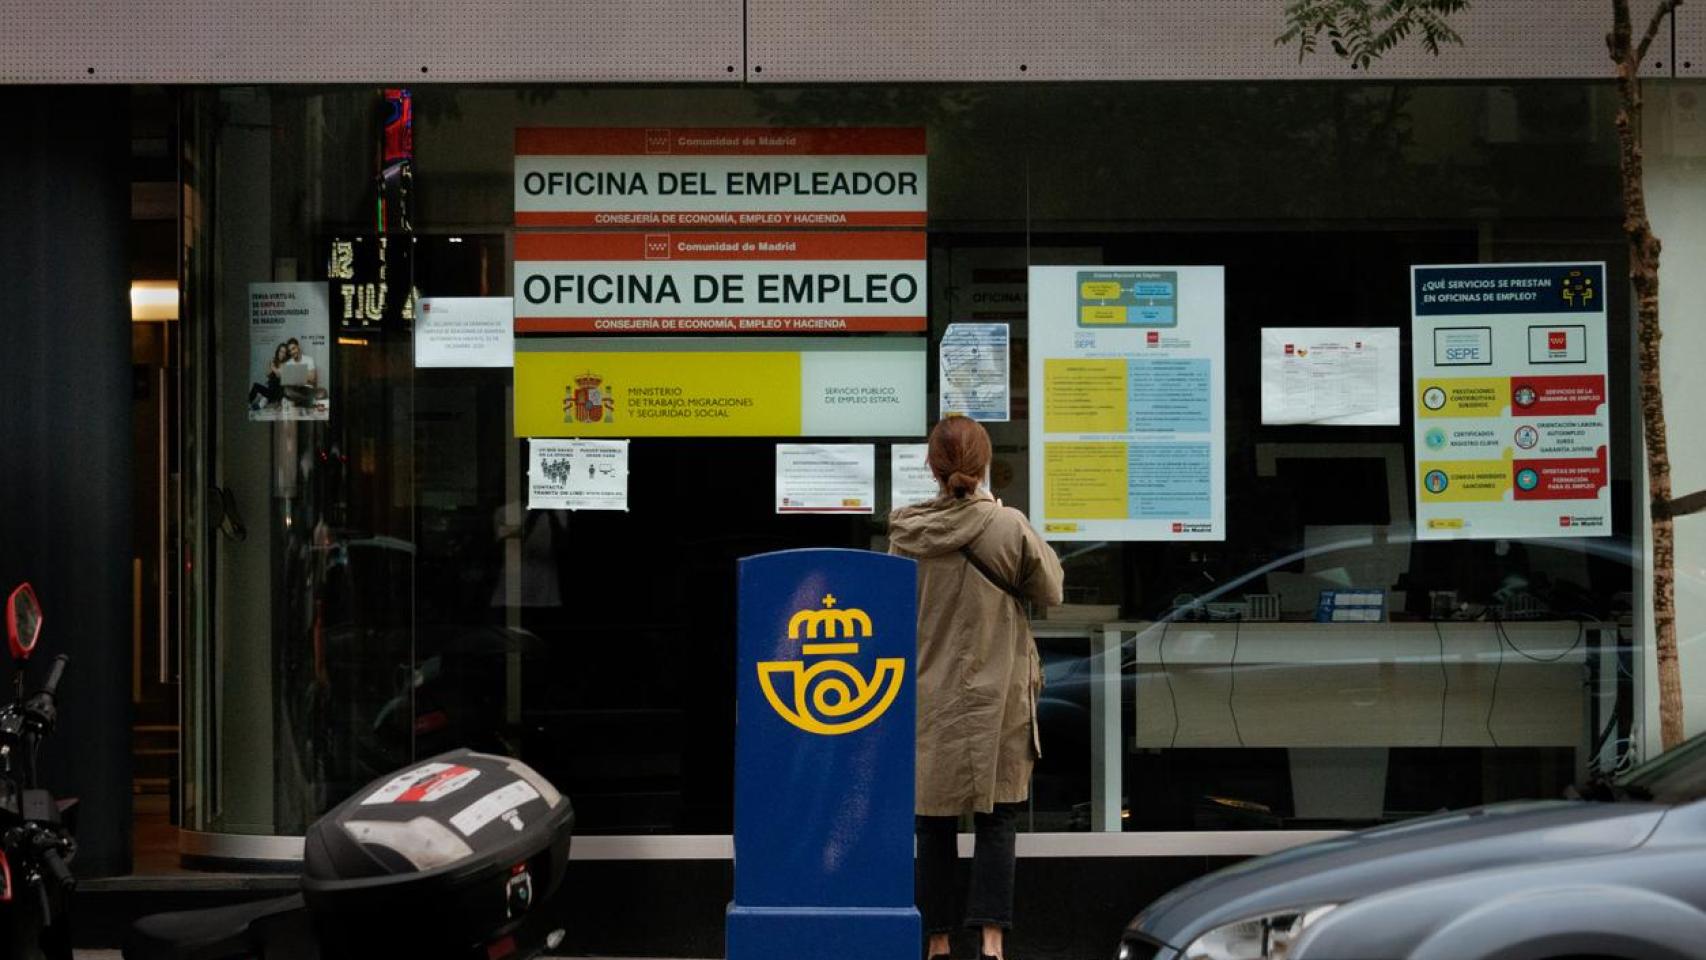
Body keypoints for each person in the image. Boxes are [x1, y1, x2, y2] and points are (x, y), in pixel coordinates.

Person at [887, 415, 1064, 960]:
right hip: (1000, 692)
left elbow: (894, 611)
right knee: (998, 815)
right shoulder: (1008, 526)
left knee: (932, 820)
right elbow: (1051, 590)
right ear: (984, 464)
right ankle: (991, 941)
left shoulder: (908, 536)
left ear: (932, 467)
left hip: (930, 691)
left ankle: (938, 942)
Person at [248, 342, 288, 409]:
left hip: (278, 393)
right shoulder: (274, 362)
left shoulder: (286, 364)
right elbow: (267, 374)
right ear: (278, 352)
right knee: (256, 386)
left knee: (276, 381)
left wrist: (273, 367)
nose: (282, 354)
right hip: (270, 391)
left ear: (286, 354)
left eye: (284, 352)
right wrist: (270, 366)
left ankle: (262, 403)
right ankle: (249, 403)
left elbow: (279, 375)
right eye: (281, 351)